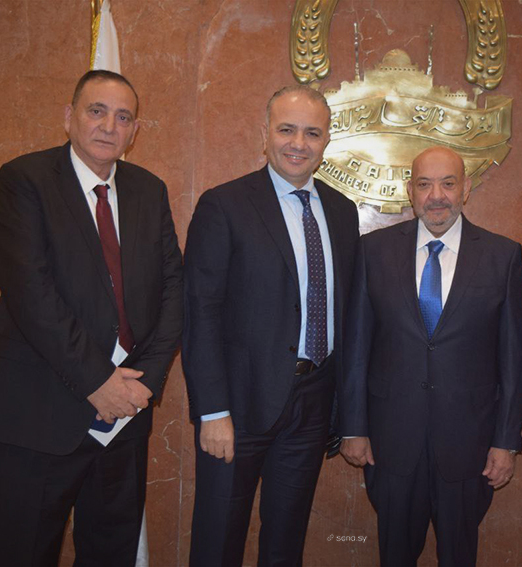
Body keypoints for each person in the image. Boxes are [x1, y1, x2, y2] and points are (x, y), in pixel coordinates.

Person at [0, 70, 183, 565]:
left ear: (135, 132)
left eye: (123, 117)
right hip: (39, 414)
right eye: (97, 111)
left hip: (125, 415)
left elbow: (174, 290)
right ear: (69, 116)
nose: (109, 126)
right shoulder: (25, 180)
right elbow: (31, 294)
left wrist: (142, 384)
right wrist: (98, 382)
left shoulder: (149, 190)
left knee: (112, 553)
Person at [183, 85, 359, 566]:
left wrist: (345, 410)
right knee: (219, 541)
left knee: (285, 543)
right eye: (287, 130)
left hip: (312, 403)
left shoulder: (342, 212)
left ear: (327, 141)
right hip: (237, 407)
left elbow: (348, 313)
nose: (298, 143)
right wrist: (212, 410)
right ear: (265, 134)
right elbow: (200, 312)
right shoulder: (224, 205)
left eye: (312, 133)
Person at [339, 146, 522, 567]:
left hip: (469, 446)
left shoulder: (502, 256)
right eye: (424, 184)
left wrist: (506, 441)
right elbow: (356, 346)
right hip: (391, 443)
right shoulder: (373, 251)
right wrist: (353, 426)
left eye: (448, 183)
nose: (436, 195)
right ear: (410, 191)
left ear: (466, 188)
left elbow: (514, 359)